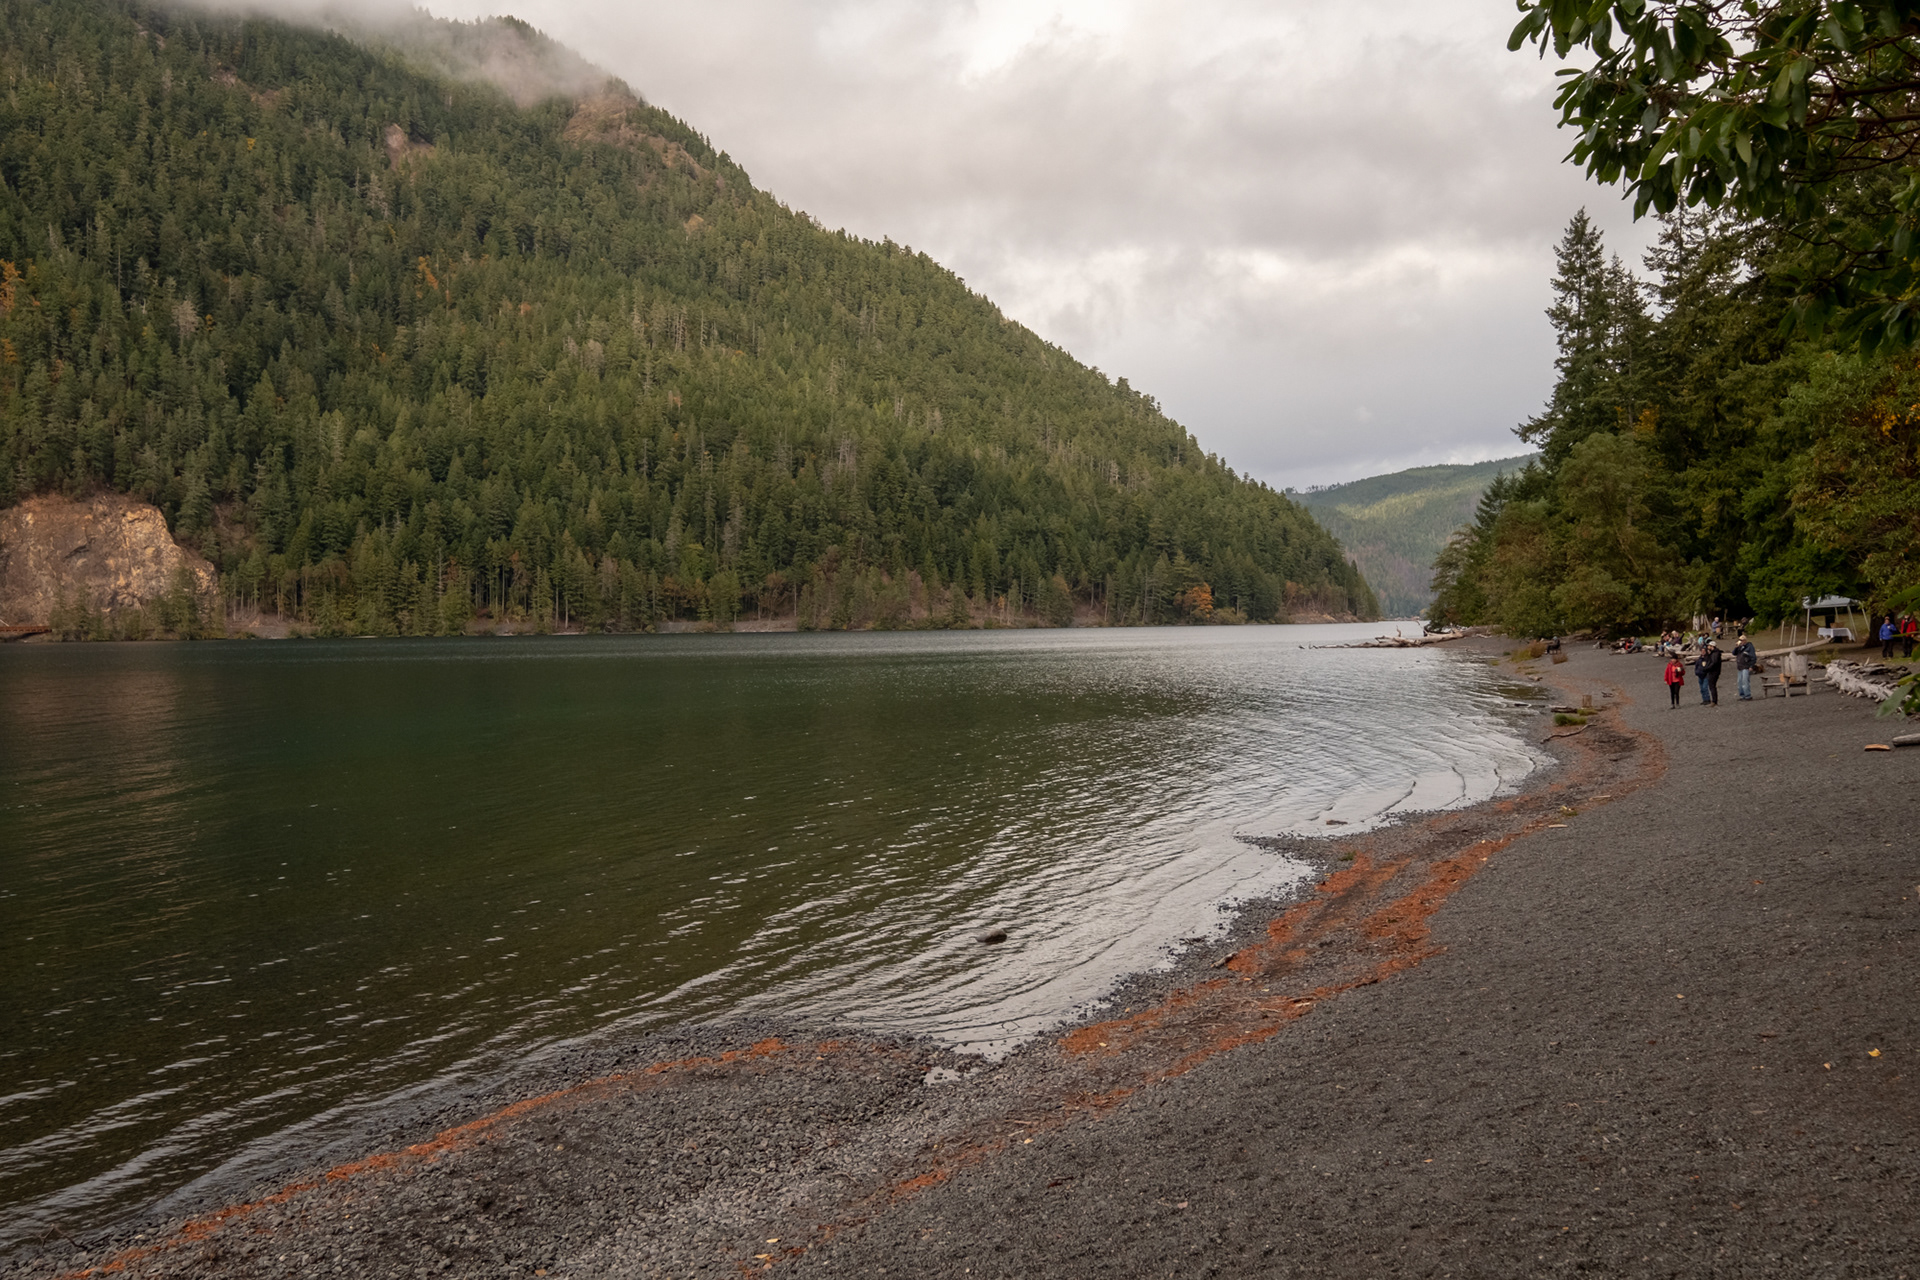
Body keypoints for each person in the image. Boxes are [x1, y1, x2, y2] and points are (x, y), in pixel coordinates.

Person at [1696, 640, 1723, 706]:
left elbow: (1713, 663)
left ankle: (1714, 701)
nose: (1708, 647)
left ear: (1712, 646)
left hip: (1714, 672)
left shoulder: (1715, 654)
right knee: (1712, 686)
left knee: (1712, 686)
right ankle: (1714, 700)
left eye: (1709, 646)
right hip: (1713, 671)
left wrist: (1706, 668)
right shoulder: (1714, 653)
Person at [1734, 633, 1758, 700]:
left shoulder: (1749, 647)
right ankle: (1742, 695)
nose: (1740, 641)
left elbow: (1753, 657)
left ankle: (1748, 695)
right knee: (1739, 682)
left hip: (1746, 666)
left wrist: (1751, 666)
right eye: (1739, 640)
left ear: (1745, 640)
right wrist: (1736, 647)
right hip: (1740, 666)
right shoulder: (1739, 647)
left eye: (1741, 640)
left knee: (1745, 681)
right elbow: (1734, 653)